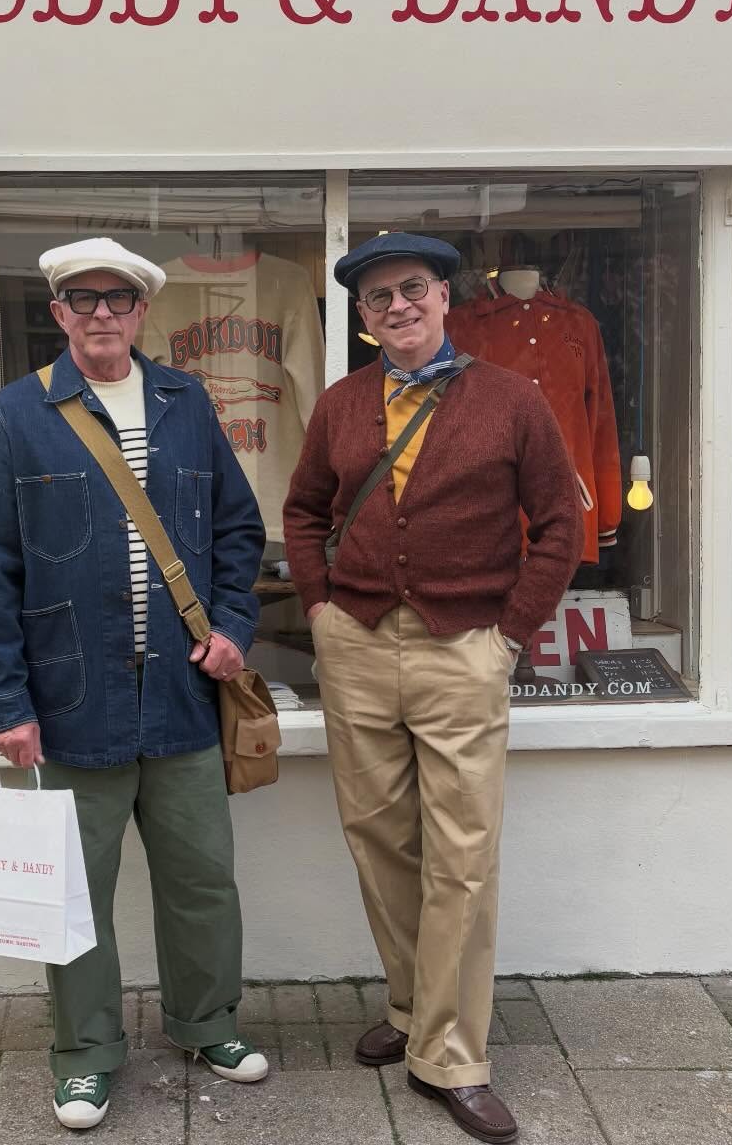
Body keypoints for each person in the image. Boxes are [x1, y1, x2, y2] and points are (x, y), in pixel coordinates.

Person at [0, 237, 270, 1131]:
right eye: (82, 300)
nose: (102, 314)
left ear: (143, 313)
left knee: (203, 877)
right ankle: (86, 1056)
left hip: (180, 696)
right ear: (57, 313)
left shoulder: (184, 402)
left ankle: (207, 1023)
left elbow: (240, 533)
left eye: (118, 300)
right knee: (75, 894)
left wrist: (232, 629)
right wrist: (9, 705)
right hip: (70, 701)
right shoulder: (20, 414)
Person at [283, 233, 583, 1145]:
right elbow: (303, 512)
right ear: (364, 320)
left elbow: (563, 523)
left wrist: (511, 636)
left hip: (465, 649)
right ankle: (413, 1009)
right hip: (359, 643)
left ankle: (453, 1055)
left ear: (446, 297)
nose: (397, 308)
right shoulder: (340, 404)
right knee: (379, 838)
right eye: (377, 300)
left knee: (462, 851)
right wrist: (322, 608)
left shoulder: (511, 399)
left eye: (412, 289)